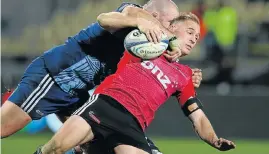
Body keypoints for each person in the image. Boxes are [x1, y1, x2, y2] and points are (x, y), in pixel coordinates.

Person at [35, 12, 235, 154]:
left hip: (132, 125)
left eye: (197, 36)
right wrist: (150, 27)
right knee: (54, 149)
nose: (194, 39)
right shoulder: (144, 40)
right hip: (104, 105)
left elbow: (198, 117)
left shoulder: (184, 75)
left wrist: (214, 139)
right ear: (173, 28)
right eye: (190, 32)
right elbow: (104, 19)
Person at [1, 0, 202, 138]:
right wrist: (140, 21)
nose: (171, 30)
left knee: (91, 142)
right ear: (155, 16)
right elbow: (104, 19)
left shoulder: (148, 44)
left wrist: (188, 75)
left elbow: (165, 66)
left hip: (76, 93)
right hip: (56, 76)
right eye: (169, 23)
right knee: (3, 128)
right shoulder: (133, 12)